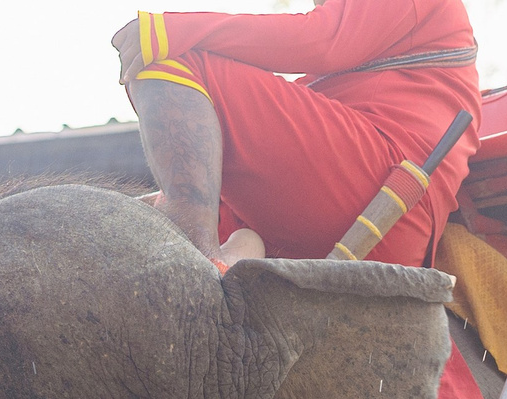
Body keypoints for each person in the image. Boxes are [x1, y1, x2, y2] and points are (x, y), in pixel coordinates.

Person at [111, 0, 482, 269]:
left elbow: (326, 41)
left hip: (390, 198)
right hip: (366, 205)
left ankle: (192, 267)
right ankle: (226, 255)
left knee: (168, 58)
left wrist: (174, 31)